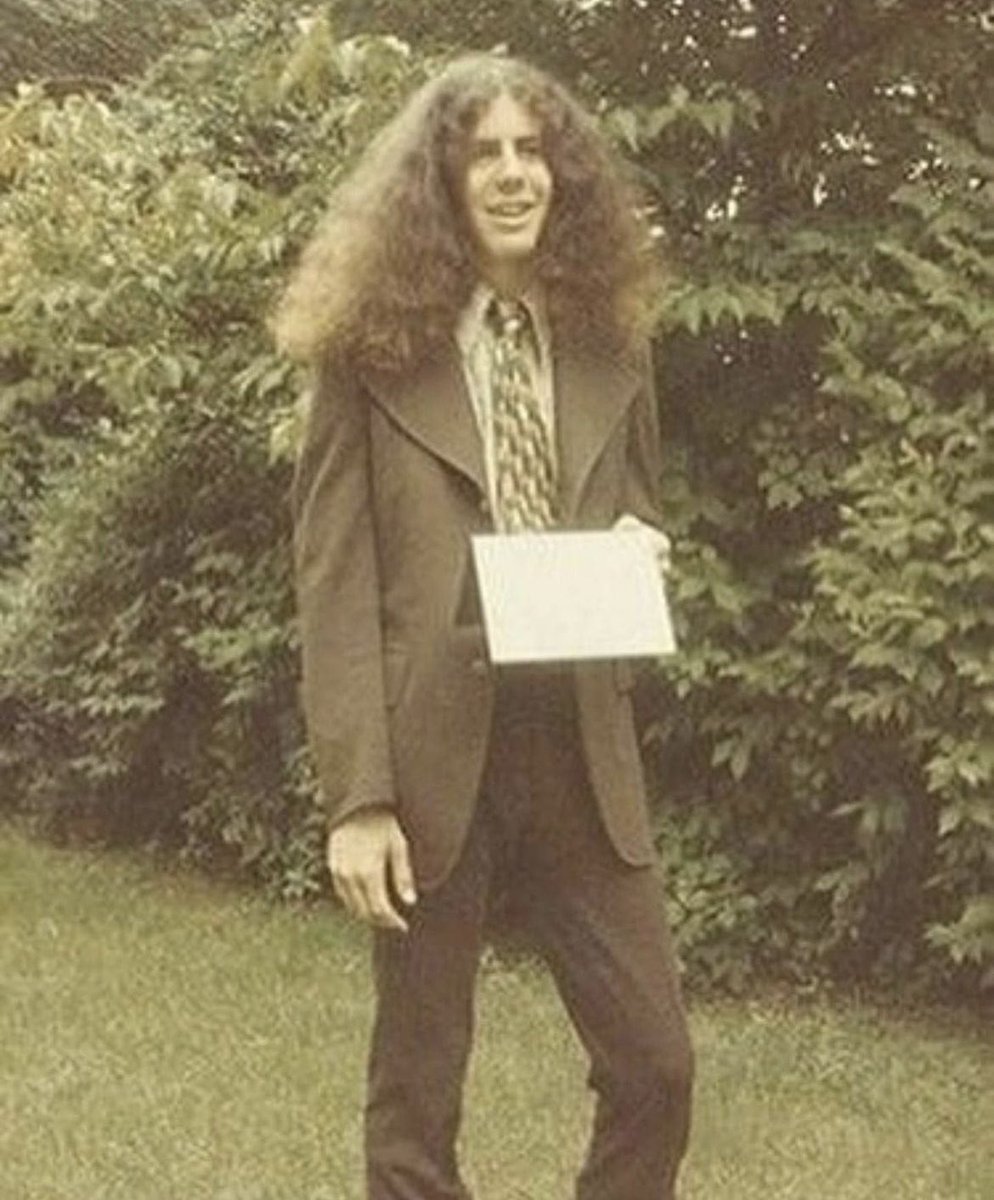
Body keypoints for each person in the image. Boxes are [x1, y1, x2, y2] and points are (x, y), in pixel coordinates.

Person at [275, 52, 693, 1200]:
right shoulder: (370, 353)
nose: (513, 174)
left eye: (532, 150)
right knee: (417, 1099)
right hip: (427, 764)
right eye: (484, 153)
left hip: (578, 748)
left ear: (561, 174)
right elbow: (334, 583)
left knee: (658, 1067)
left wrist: (635, 548)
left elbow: (638, 508)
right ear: (442, 184)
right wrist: (358, 801)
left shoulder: (613, 342)